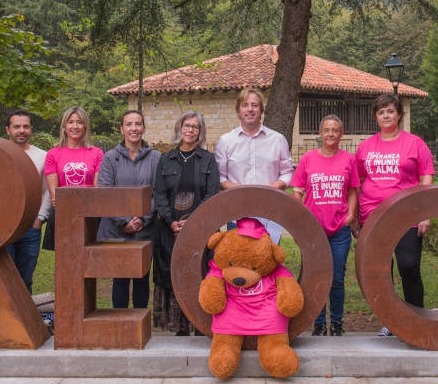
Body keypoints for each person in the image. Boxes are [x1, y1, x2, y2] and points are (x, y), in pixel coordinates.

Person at [354, 94, 434, 337]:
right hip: (373, 217)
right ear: (376, 117)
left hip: (405, 215)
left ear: (399, 114)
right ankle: (389, 320)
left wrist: (425, 214)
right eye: (381, 112)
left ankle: (416, 318)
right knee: (380, 272)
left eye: (390, 111)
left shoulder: (415, 143)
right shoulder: (366, 147)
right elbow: (356, 183)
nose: (386, 115)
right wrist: (356, 216)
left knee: (409, 267)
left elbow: (426, 178)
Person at [152, 111, 220, 334]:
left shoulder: (208, 160)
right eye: (186, 126)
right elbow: (159, 194)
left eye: (195, 127)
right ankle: (178, 325)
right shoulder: (166, 159)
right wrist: (171, 221)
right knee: (176, 275)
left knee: (200, 273)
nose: (190, 130)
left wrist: (193, 223)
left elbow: (212, 194)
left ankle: (200, 324)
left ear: (200, 132)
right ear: (179, 129)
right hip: (170, 229)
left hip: (201, 229)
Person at [291, 114, 359, 337]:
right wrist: (300, 217)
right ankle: (318, 322)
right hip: (314, 229)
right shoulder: (308, 158)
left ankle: (337, 323)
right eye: (327, 130)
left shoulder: (348, 159)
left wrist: (350, 214)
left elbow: (352, 191)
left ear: (341, 134)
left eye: (335, 130)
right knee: (316, 275)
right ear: (320, 134)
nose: (331, 134)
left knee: (337, 278)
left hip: (339, 227)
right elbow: (298, 190)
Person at [98, 110, 162, 309]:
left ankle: (140, 327)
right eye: (129, 124)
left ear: (143, 128)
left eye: (138, 124)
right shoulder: (110, 158)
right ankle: (121, 327)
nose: (134, 128)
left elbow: (159, 193)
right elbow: (105, 193)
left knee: (142, 277)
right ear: (121, 129)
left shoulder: (156, 158)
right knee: (120, 278)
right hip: (118, 230)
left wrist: (142, 218)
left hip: (146, 229)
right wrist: (124, 221)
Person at [214, 88, 293, 241]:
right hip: (237, 212)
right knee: (238, 260)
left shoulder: (277, 140)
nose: (250, 109)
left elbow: (287, 173)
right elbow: (221, 177)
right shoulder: (226, 141)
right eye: (245, 105)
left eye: (254, 105)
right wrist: (241, 190)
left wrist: (272, 187)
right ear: (238, 110)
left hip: (270, 211)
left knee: (268, 261)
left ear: (261, 110)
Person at [4, 109, 53, 294]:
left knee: (25, 278)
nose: (21, 130)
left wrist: (39, 218)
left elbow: (48, 190)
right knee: (5, 277)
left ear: (31, 129)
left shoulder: (43, 156)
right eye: (17, 126)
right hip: (3, 225)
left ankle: (26, 321)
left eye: (25, 126)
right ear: (8, 130)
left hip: (30, 226)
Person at [43, 106, 104, 251]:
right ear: (64, 126)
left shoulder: (97, 153)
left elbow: (97, 190)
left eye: (79, 122)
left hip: (90, 215)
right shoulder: (53, 154)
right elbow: (55, 195)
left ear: (85, 126)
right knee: (65, 264)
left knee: (90, 263)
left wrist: (85, 211)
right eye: (70, 122)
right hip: (63, 214)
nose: (75, 126)